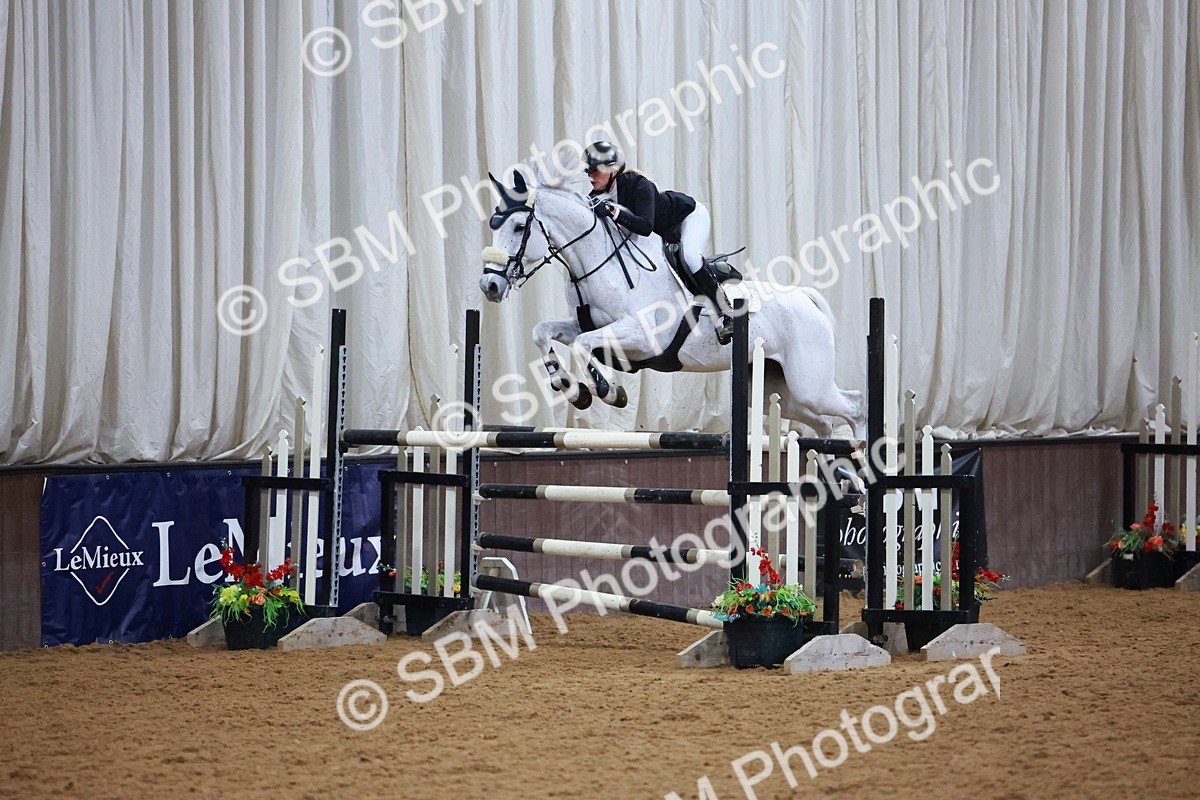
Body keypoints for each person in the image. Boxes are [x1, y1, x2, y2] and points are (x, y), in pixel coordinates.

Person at [583, 141, 734, 344]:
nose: (590, 175)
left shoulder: (638, 184)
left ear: (613, 170)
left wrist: (612, 211)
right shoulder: (596, 197)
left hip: (687, 217)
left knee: (689, 256)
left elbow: (645, 227)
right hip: (663, 233)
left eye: (595, 170)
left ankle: (727, 312)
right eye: (588, 170)